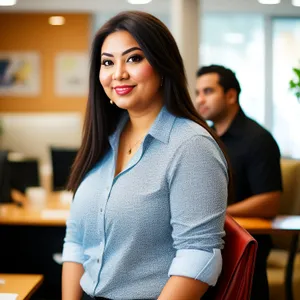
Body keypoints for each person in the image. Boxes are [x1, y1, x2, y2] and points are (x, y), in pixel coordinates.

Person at [62, 11, 231, 300]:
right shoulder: (103, 139)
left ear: (162, 66)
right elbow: (76, 242)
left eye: (134, 58)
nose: (118, 74)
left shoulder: (191, 145)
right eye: (107, 62)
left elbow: (198, 256)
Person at [195, 64, 283, 300]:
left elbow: (271, 201)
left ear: (231, 95)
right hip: (209, 237)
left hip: (245, 244)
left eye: (208, 91)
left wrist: (218, 213)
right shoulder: (205, 138)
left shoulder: (259, 140)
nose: (199, 99)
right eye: (197, 93)